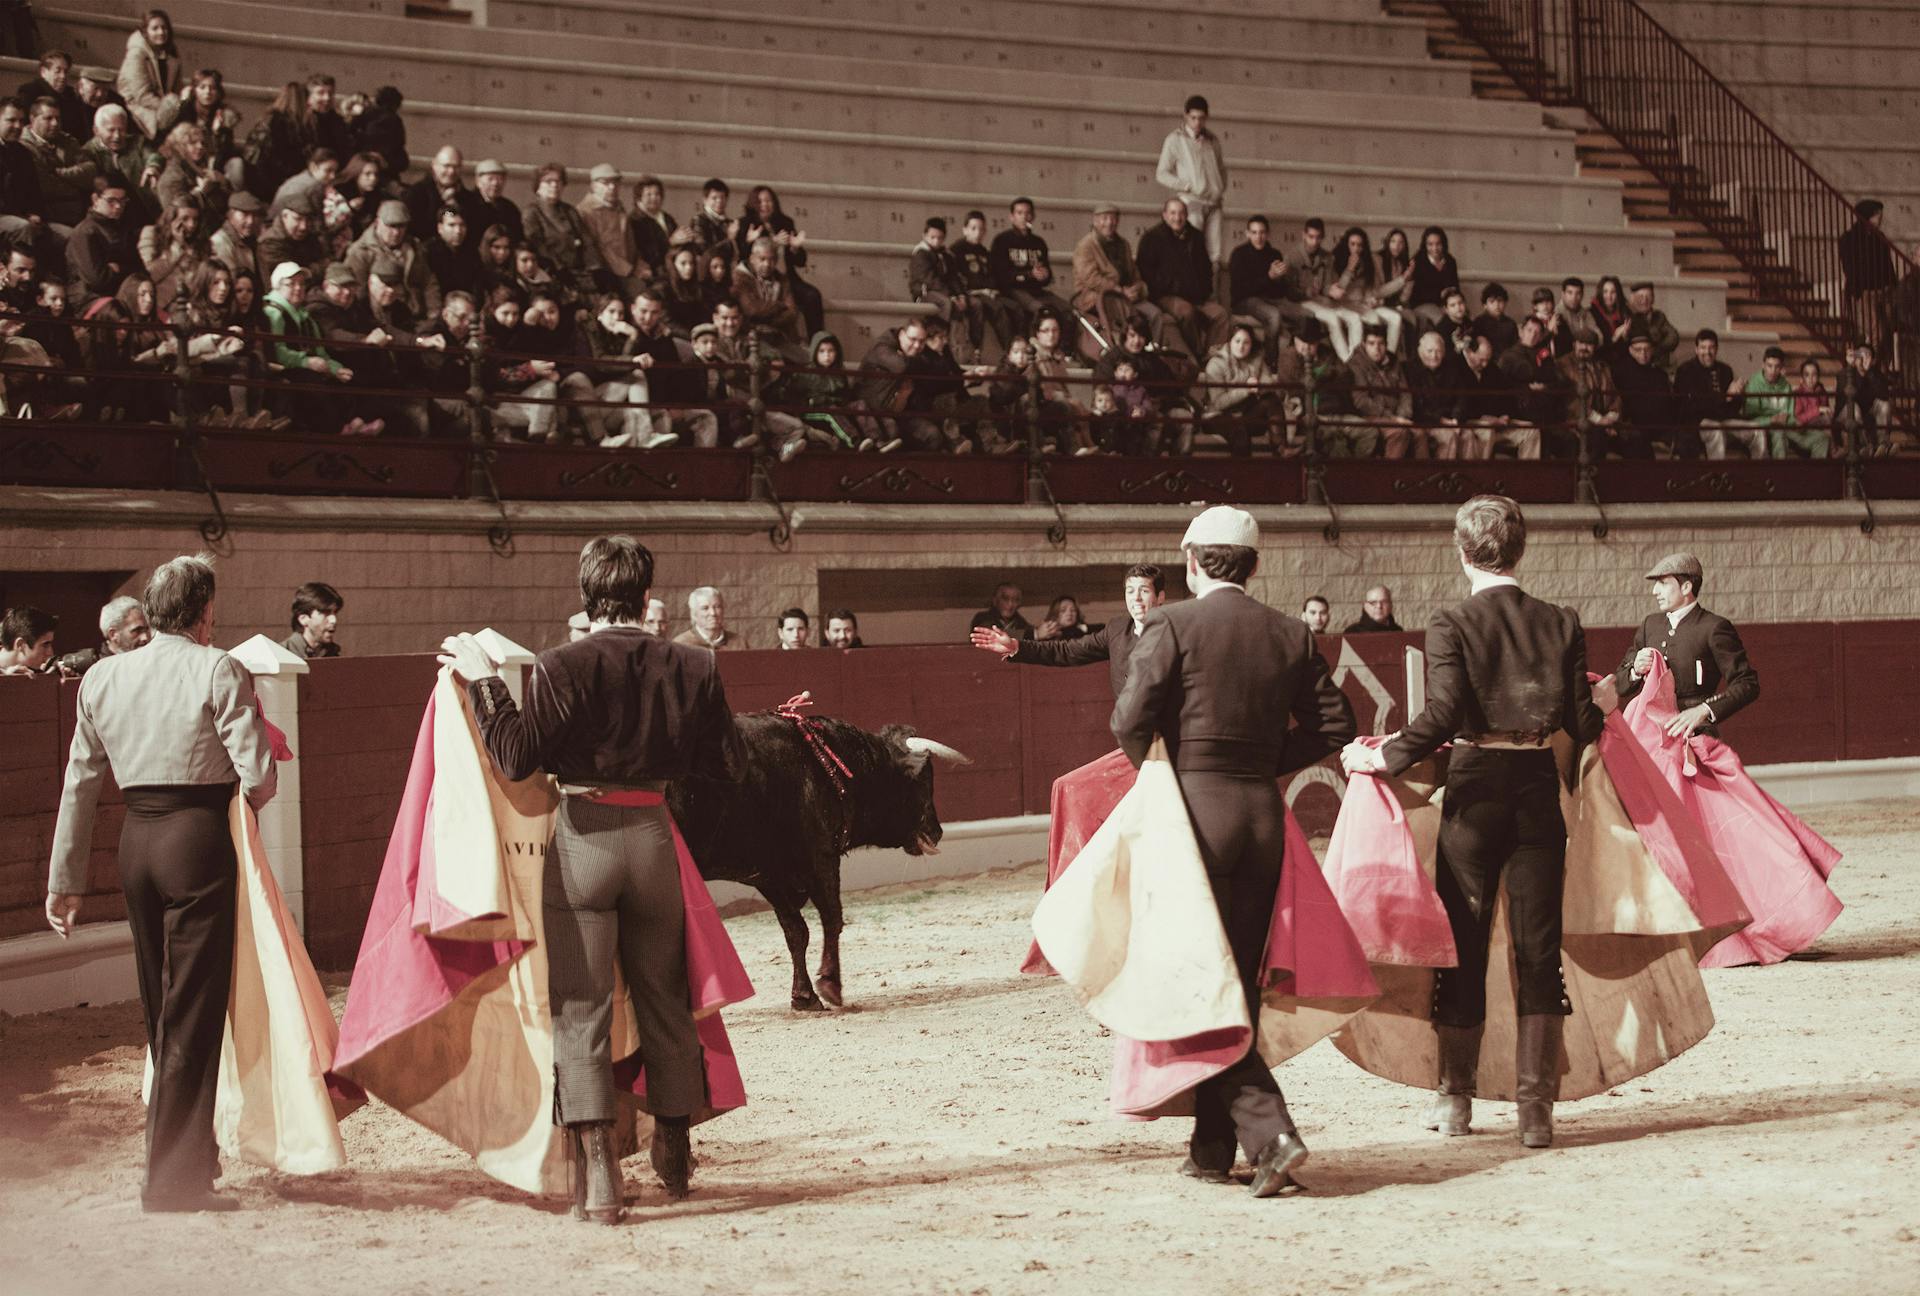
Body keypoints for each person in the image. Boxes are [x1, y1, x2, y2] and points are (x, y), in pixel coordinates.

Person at [438, 536, 746, 1221]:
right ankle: (673, 1151)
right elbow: (727, 766)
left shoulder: (559, 665)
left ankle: (602, 1179)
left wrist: (486, 680)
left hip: (583, 838)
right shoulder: (694, 665)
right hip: (653, 837)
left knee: (582, 1010)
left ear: (586, 595)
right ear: (644, 595)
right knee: (665, 999)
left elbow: (515, 758)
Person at [1341, 495, 1605, 1150]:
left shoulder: (1452, 620)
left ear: (1463, 553)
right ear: (1521, 550)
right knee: (1538, 947)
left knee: (1461, 938)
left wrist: (1384, 757)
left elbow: (1444, 713)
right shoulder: (1560, 622)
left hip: (1476, 786)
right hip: (1537, 787)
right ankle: (1535, 1111)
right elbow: (1584, 725)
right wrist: (1610, 696)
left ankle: (1456, 1101)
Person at [1112, 505, 1355, 1193]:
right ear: (1252, 566)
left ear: (1191, 562)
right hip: (1261, 817)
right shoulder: (1287, 631)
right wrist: (1268, 758)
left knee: (1195, 983)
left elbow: (1128, 718)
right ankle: (1213, 1148)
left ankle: (1269, 1130)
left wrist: (1163, 773)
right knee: (1234, 980)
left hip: (1194, 814)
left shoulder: (1170, 623)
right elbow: (1339, 722)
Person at [46, 555, 278, 1211]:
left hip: (135, 844)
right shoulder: (216, 667)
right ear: (204, 613)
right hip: (196, 839)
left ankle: (184, 1158)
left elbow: (80, 784)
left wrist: (65, 880)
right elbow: (259, 776)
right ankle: (175, 1179)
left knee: (160, 1007)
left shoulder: (102, 678)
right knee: (193, 1011)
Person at [1604, 552, 1757, 742]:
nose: (1655, 591)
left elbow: (1747, 683)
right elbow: (1619, 684)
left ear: (1686, 587)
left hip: (1694, 732)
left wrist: (1704, 710)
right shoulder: (1650, 625)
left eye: (1663, 583)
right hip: (1649, 733)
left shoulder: (1713, 627)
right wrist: (1635, 670)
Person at [972, 566, 1165, 695]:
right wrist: (1017, 646)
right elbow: (1067, 650)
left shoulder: (1175, 631)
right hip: (1132, 738)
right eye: (1130, 591)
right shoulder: (1118, 628)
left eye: (1144, 591)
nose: (1136, 599)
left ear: (1160, 597)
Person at [1155, 95, 1227, 267]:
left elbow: (1221, 169)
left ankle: (1213, 294)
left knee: (1215, 256)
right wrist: (1186, 186)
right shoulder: (1174, 139)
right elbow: (1161, 173)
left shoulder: (1213, 139)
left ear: (1206, 117)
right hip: (1192, 203)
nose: (1197, 123)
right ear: (1186, 116)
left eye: (1201, 118)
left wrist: (1220, 187)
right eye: (1193, 118)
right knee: (1192, 252)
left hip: (1215, 204)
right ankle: (1191, 294)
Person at [55, 595, 152, 675]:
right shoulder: (96, 672)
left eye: (146, 629)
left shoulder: (151, 663)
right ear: (113, 634)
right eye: (137, 631)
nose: (145, 637)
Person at [673, 585, 747, 651]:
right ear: (694, 614)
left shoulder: (739, 643)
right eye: (705, 608)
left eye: (717, 607)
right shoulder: (680, 645)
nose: (713, 613)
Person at [282, 581, 343, 658]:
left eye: (335, 612)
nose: (333, 620)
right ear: (303, 619)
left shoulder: (333, 654)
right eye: (325, 613)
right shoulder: (280, 656)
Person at [0, 604, 58, 673]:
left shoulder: (35, 671)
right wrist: (7, 681)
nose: (50, 653)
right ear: (20, 645)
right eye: (45, 645)